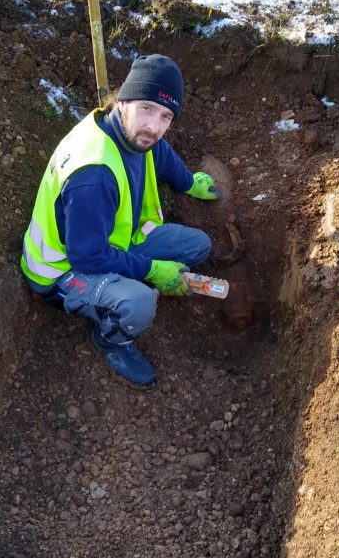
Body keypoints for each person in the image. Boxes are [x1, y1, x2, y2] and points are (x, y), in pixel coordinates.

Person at [20, 54, 220, 388]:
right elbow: (87, 257)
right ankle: (111, 338)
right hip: (63, 271)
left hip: (113, 239)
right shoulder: (94, 175)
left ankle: (135, 283)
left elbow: (161, 152)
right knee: (139, 302)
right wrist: (153, 270)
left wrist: (190, 183)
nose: (154, 127)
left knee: (198, 246)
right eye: (146, 108)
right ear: (123, 100)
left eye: (166, 116)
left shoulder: (125, 129)